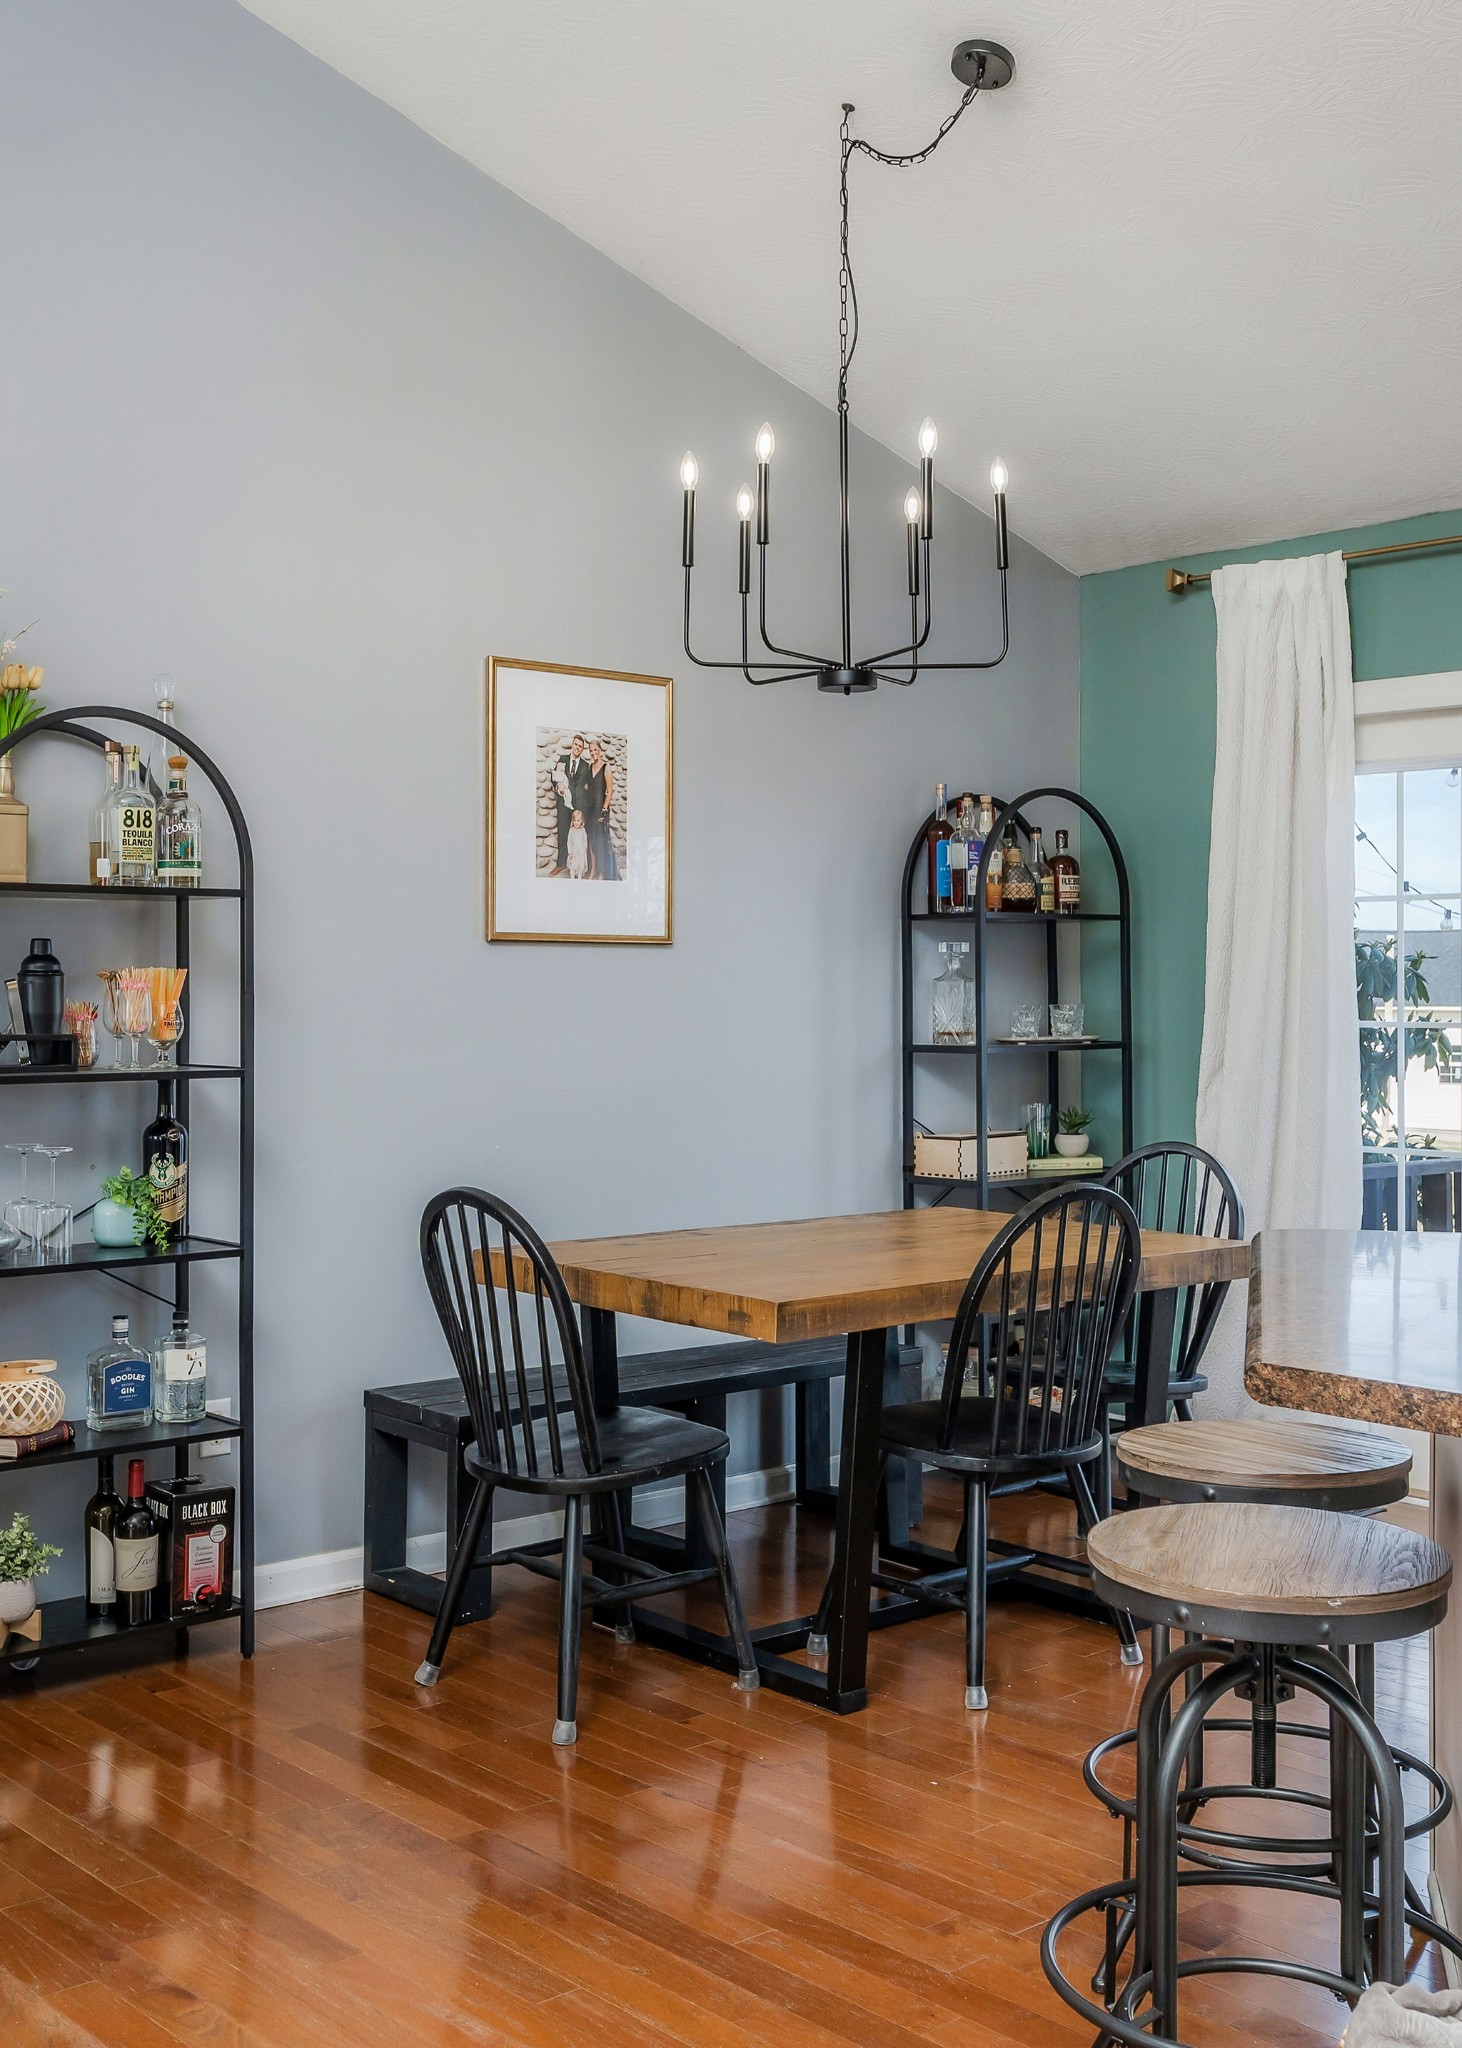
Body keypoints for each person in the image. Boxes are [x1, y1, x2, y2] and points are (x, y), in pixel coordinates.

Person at [552, 734, 591, 872]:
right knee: (563, 833)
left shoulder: (586, 766)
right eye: (576, 744)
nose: (577, 748)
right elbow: (555, 777)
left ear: (582, 749)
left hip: (578, 806)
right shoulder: (562, 760)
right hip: (563, 803)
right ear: (572, 745)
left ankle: (580, 866)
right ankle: (561, 864)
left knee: (578, 836)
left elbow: (587, 786)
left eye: (580, 746)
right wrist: (558, 785)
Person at [584, 739, 619, 881]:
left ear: (600, 750)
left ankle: (602, 873)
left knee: (601, 842)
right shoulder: (589, 768)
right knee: (591, 841)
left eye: (595, 750)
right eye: (590, 751)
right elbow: (587, 787)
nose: (593, 753)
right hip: (590, 810)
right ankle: (593, 870)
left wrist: (604, 810)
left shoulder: (606, 768)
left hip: (601, 810)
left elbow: (610, 792)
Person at [565, 808, 589, 880]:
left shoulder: (583, 830)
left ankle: (579, 878)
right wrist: (570, 852)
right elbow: (569, 842)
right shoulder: (571, 830)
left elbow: (585, 840)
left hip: (581, 852)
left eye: (578, 821)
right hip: (574, 852)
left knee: (580, 866)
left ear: (581, 821)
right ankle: (572, 878)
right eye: (575, 820)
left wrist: (584, 850)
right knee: (573, 866)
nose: (576, 822)